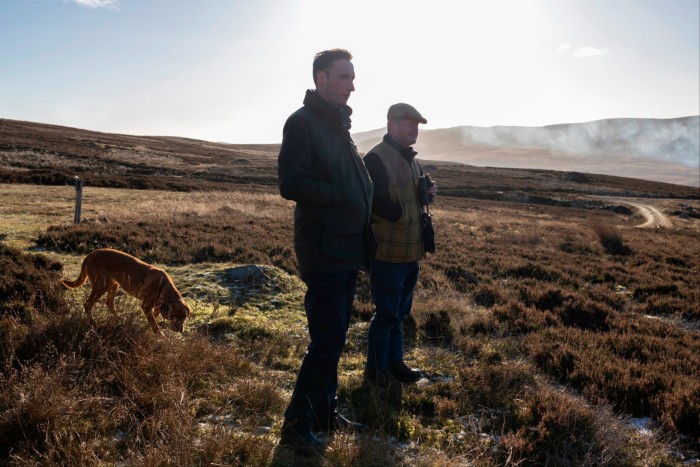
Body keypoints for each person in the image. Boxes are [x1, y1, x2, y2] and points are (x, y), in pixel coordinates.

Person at [277, 48, 373, 452]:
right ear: (320, 78)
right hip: (323, 248)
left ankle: (323, 412)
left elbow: (350, 180)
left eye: (353, 77)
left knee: (334, 336)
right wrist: (341, 195)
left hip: (345, 246)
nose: (352, 85)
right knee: (327, 340)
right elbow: (291, 183)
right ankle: (297, 425)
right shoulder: (302, 123)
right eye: (343, 77)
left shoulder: (337, 125)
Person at [363, 103, 436, 387]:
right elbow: (373, 201)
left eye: (417, 124)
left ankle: (395, 364)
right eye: (410, 123)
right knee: (386, 316)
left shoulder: (411, 158)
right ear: (392, 123)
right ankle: (376, 373)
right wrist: (400, 213)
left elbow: (407, 195)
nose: (414, 128)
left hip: (410, 253)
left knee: (399, 315)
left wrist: (425, 195)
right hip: (388, 254)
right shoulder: (376, 159)